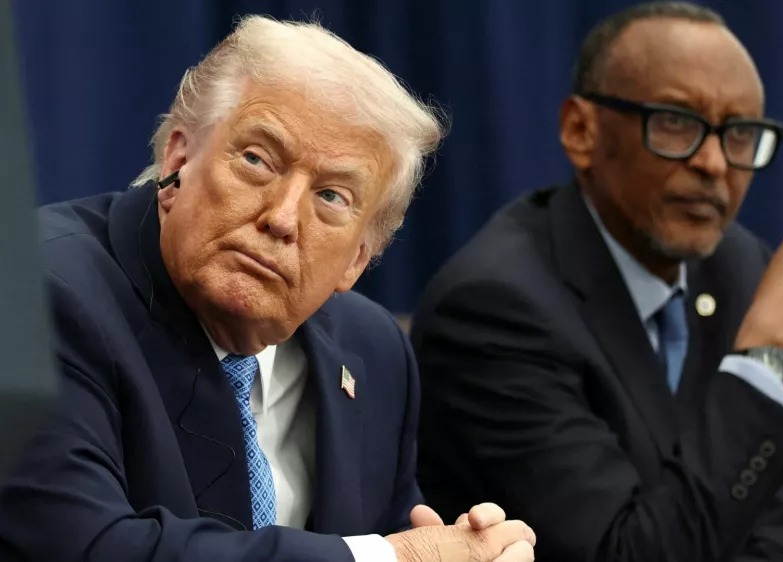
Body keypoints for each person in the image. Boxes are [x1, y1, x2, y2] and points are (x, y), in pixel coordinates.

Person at [0, 16, 536, 562]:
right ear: (179, 161)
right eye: (256, 161)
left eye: (331, 197)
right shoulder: (38, 295)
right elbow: (90, 547)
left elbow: (391, 534)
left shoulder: (373, 351)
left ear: (357, 260)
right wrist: (396, 560)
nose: (282, 219)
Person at [410, 2, 783, 561]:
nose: (715, 163)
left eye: (739, 133)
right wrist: (765, 358)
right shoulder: (494, 309)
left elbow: (778, 538)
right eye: (677, 122)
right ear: (581, 131)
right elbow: (623, 552)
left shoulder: (738, 268)